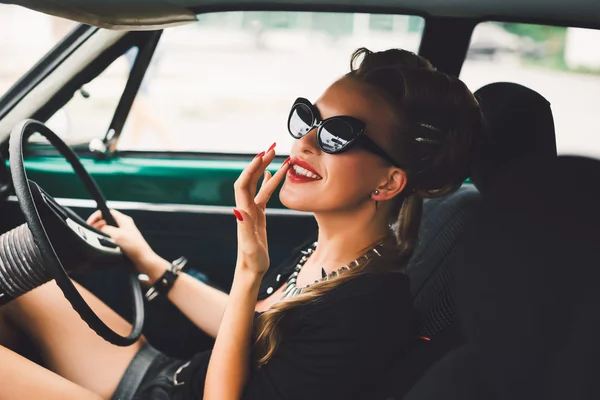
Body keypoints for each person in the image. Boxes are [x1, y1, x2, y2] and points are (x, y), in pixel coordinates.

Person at [0, 47, 481, 400]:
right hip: (167, 377)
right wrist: (151, 262)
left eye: (337, 134)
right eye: (309, 118)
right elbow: (253, 325)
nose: (305, 143)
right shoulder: (328, 254)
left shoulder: (366, 312)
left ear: (388, 182)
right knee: (11, 279)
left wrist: (249, 268)